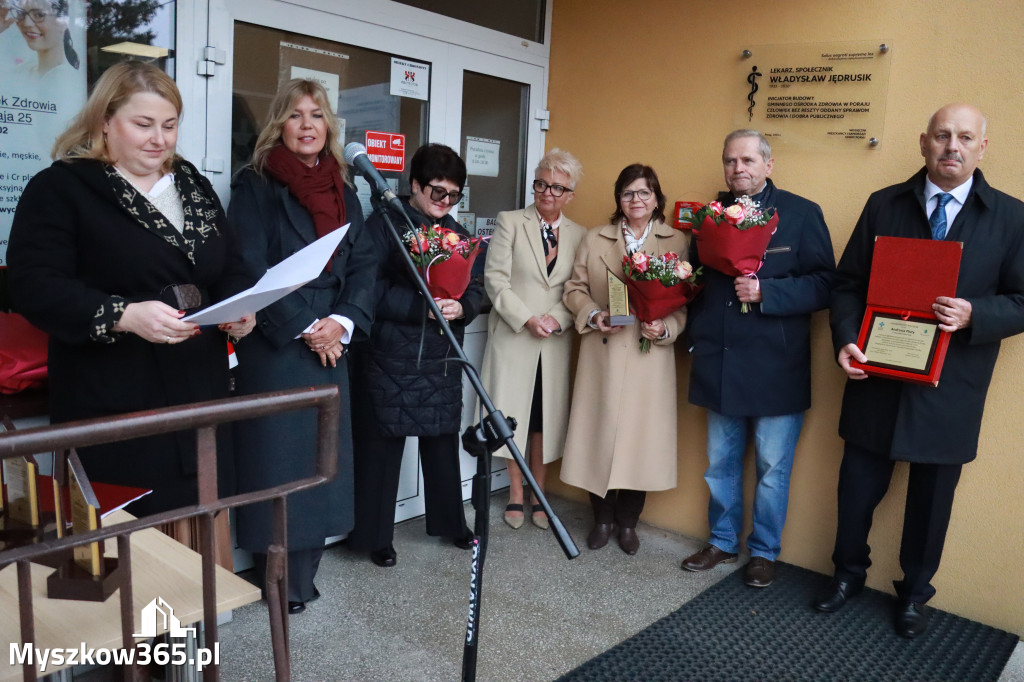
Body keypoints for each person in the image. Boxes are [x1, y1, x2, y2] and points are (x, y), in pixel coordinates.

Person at [7, 61, 254, 515]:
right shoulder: (62, 188)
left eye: (169, 125)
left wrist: (241, 306)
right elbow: (32, 284)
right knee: (131, 534)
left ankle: (190, 590)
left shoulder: (193, 184)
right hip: (115, 393)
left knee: (199, 516)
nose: (158, 139)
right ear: (105, 121)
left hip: (199, 386)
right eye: (143, 124)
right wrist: (123, 314)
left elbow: (228, 264)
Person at [816, 103, 1024, 638]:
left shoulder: (1012, 217)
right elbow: (847, 285)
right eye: (941, 135)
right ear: (923, 143)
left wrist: (978, 313)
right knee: (856, 489)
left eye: (964, 137)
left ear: (983, 147)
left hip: (951, 387)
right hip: (876, 378)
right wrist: (845, 341)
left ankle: (913, 595)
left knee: (932, 502)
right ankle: (847, 575)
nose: (952, 146)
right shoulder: (884, 205)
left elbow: (1023, 300)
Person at [228, 79, 376, 613]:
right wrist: (305, 326)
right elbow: (249, 264)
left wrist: (341, 321)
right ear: (279, 125)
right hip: (279, 345)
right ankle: (276, 579)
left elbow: (364, 266)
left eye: (317, 114)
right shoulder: (256, 184)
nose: (308, 124)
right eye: (296, 115)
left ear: (330, 126)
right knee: (280, 465)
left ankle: (304, 575)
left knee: (321, 465)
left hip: (332, 343)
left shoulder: (346, 189)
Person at [681, 130, 834, 587]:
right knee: (720, 462)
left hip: (776, 365)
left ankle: (764, 552)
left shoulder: (803, 214)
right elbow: (698, 282)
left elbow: (827, 283)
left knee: (772, 469)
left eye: (748, 159)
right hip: (721, 359)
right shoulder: (708, 215)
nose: (738, 168)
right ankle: (723, 540)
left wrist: (770, 291)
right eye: (730, 161)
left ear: (769, 165)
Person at [348, 143, 481, 567]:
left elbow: (477, 288)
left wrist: (464, 307)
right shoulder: (385, 224)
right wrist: (417, 307)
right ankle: (375, 537)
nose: (444, 203)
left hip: (440, 356)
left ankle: (450, 524)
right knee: (382, 449)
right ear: (414, 185)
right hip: (390, 353)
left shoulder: (458, 236)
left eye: (453, 196)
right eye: (436, 192)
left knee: (441, 440)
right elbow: (366, 287)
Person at [560, 163, 690, 555]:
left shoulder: (676, 241)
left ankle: (629, 525)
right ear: (618, 199)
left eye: (644, 193)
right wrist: (593, 315)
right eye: (628, 193)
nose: (636, 200)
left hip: (649, 357)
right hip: (604, 353)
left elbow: (686, 299)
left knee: (640, 442)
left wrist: (666, 327)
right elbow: (574, 289)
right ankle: (601, 519)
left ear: (656, 199)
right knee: (598, 437)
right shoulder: (595, 238)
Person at [480, 149, 586, 531]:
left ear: (570, 194)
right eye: (541, 184)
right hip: (515, 335)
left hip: (554, 341)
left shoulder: (580, 234)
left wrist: (556, 321)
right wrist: (526, 318)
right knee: (513, 417)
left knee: (543, 419)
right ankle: (515, 493)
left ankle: (540, 494)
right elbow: (495, 280)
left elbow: (578, 287)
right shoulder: (510, 222)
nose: (547, 193)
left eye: (558, 187)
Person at [3, 0, 81, 81]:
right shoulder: (20, 72)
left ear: (63, 21)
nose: (26, 23)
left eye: (39, 15)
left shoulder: (67, 77)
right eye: (21, 14)